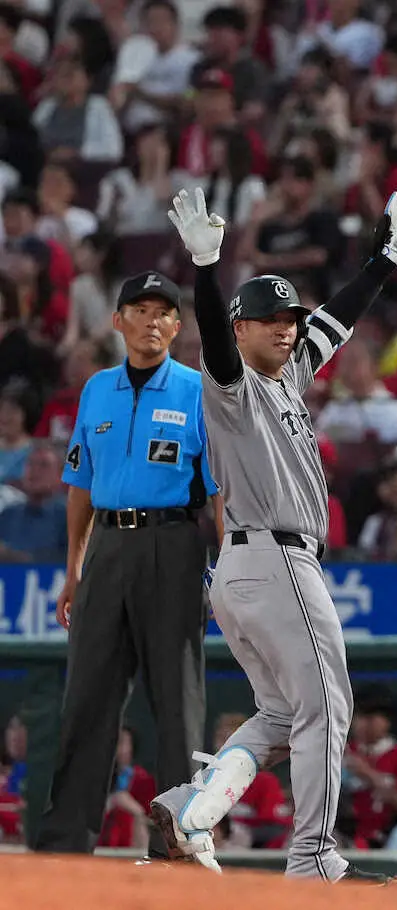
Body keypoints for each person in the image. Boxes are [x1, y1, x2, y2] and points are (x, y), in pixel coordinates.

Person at [146, 187, 397, 880]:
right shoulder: (231, 384)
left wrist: (382, 263)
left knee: (279, 713)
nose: (285, 328)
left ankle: (190, 810)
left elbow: (336, 322)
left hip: (251, 569)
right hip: (274, 559)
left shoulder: (290, 374)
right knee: (327, 704)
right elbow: (214, 340)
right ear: (242, 330)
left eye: (289, 318)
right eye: (268, 320)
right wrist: (206, 270)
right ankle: (314, 857)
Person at [36, 271, 219, 858]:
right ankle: (66, 842)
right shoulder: (97, 389)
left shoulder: (198, 389)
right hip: (108, 546)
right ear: (118, 321)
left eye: (164, 312)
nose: (152, 321)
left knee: (177, 700)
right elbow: (80, 485)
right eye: (140, 310)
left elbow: (220, 492)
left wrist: (227, 570)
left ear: (177, 325)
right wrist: (73, 569)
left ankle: (179, 841)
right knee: (86, 697)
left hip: (173, 541)